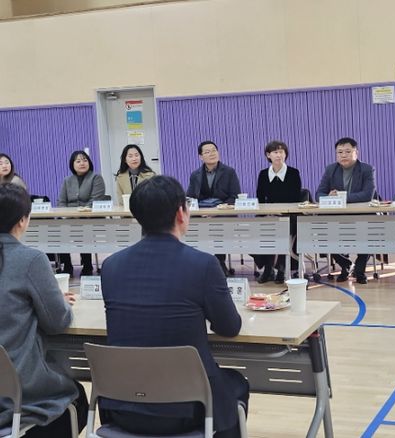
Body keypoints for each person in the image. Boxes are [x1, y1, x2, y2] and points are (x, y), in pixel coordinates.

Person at [100, 176, 248, 438]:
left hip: (122, 406)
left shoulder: (111, 266)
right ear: (181, 213)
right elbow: (229, 327)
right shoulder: (203, 265)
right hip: (186, 410)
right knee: (236, 384)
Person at [0, 183, 88, 438]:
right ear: (23, 220)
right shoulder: (30, 259)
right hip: (20, 391)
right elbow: (57, 321)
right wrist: (55, 300)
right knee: (78, 398)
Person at [316, 137, 376, 284]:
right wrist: (328, 197)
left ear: (356, 153)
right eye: (340, 152)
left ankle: (360, 269)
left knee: (370, 229)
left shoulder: (367, 169)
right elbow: (319, 194)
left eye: (348, 151)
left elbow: (367, 195)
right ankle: (345, 264)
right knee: (322, 229)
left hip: (362, 214)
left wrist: (341, 197)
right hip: (337, 215)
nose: (343, 155)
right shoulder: (331, 169)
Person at [187, 140, 241, 274]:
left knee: (218, 228)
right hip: (201, 215)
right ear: (201, 157)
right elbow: (190, 197)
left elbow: (235, 196)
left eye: (214, 150)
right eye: (207, 152)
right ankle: (200, 263)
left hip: (223, 213)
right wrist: (201, 212)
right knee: (192, 228)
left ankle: (219, 263)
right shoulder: (195, 175)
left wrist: (217, 211)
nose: (212, 154)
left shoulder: (229, 172)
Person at [255, 140, 302, 284]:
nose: (279, 155)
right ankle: (268, 268)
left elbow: (295, 198)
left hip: (289, 215)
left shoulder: (293, 173)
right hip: (269, 215)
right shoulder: (263, 174)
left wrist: (280, 211)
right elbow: (260, 199)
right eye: (275, 152)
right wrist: (267, 212)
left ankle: (281, 268)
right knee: (256, 229)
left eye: (281, 152)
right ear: (268, 155)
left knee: (282, 229)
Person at [57, 150, 106, 276]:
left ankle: (87, 265)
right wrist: (66, 214)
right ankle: (67, 264)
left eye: (85, 160)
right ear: (72, 164)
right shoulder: (67, 180)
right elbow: (61, 201)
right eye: (78, 161)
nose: (82, 163)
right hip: (69, 218)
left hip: (90, 217)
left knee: (83, 227)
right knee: (58, 228)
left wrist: (80, 213)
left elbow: (95, 200)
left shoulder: (96, 178)